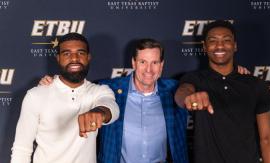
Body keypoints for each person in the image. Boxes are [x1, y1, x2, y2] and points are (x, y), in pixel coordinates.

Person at [39, 38, 250, 163]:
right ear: (133, 62)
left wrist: (236, 74)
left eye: (154, 62)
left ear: (162, 65)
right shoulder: (108, 89)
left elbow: (208, 85)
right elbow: (76, 88)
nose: (149, 70)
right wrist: (54, 83)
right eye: (143, 62)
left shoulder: (175, 89)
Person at [175, 20, 270, 163]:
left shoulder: (256, 85)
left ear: (235, 46)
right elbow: (182, 93)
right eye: (213, 41)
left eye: (226, 40)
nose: (219, 45)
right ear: (205, 47)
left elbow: (267, 138)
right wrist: (189, 98)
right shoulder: (194, 79)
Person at [10, 33, 119, 163]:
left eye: (81, 53)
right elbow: (22, 149)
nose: (74, 58)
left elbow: (111, 108)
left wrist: (100, 112)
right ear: (58, 58)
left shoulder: (99, 91)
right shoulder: (36, 95)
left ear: (88, 57)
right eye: (67, 53)